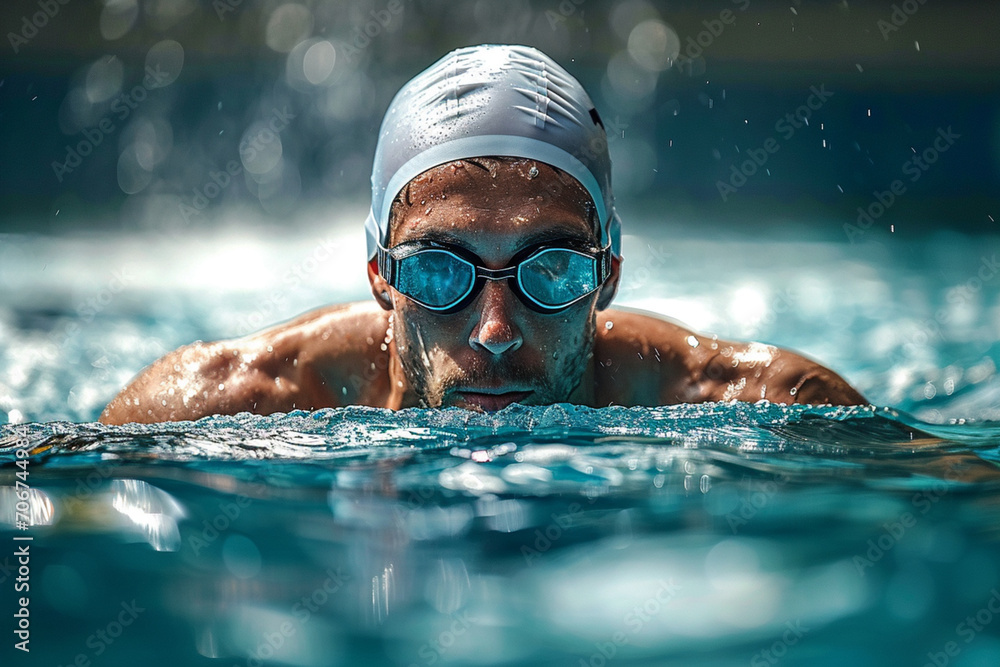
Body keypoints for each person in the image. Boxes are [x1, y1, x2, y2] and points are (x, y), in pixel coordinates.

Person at [99, 44, 865, 425]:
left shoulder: (765, 405)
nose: (496, 332)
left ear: (608, 275)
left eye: (551, 270)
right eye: (439, 271)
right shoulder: (223, 404)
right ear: (378, 273)